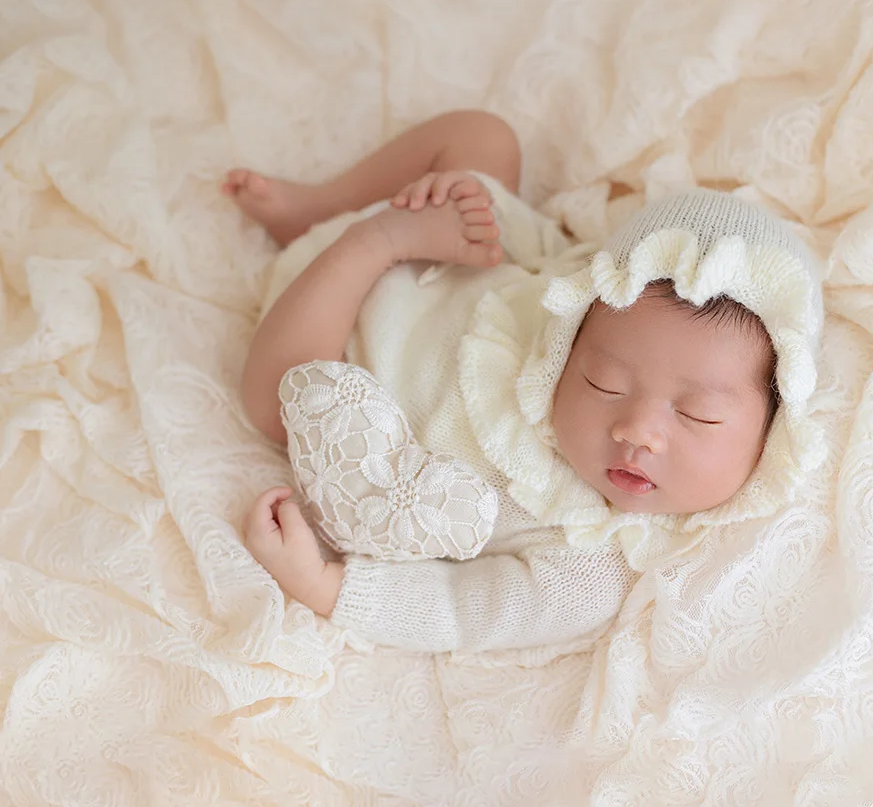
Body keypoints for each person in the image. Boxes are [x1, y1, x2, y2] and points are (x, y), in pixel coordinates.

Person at [223, 111, 825, 652]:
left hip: (326, 339)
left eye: (697, 416)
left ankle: (360, 237)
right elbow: (536, 256)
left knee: (271, 402)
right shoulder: (568, 302)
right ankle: (324, 207)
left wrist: (327, 586)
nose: (637, 430)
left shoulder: (587, 562)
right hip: (433, 254)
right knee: (484, 139)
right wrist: (471, 208)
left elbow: (466, 611)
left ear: (771, 435)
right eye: (604, 380)